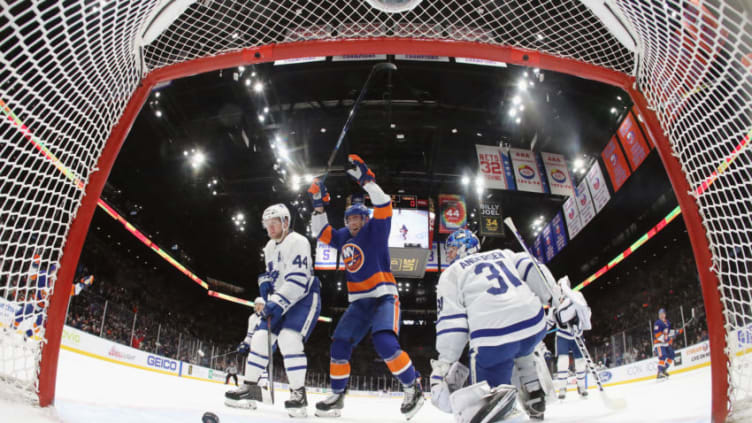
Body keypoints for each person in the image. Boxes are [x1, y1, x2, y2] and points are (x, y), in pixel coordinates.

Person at [308, 155, 423, 420]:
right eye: (349, 219)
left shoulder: (376, 230)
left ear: (365, 218)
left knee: (384, 342)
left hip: (384, 297)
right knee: (338, 345)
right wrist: (318, 206)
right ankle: (337, 397)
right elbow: (322, 233)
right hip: (360, 302)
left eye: (357, 218)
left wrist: (366, 180)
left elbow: (383, 204)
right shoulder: (344, 237)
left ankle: (412, 387)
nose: (352, 223)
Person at [430, 229, 547, 422]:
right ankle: (535, 393)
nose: (448, 254)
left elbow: (453, 325)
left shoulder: (452, 273)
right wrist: (554, 299)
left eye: (451, 249)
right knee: (522, 349)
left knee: (491, 398)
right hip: (534, 323)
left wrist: (444, 364)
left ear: (463, 247)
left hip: (494, 335)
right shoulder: (504, 253)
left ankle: (505, 413)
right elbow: (530, 265)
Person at [225, 204, 321, 417]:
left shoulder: (298, 242)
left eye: (274, 223)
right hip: (281, 299)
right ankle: (250, 390)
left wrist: (275, 301)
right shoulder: (269, 246)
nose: (269, 228)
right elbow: (274, 275)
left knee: (289, 339)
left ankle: (298, 395)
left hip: (303, 298)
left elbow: (297, 281)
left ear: (286, 222)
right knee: (259, 338)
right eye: (266, 225)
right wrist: (266, 283)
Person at [13, 254, 93, 339]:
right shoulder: (43, 275)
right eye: (53, 273)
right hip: (36, 302)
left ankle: (27, 335)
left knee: (39, 325)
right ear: (50, 272)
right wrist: (34, 264)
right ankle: (11, 328)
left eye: (57, 274)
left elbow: (75, 290)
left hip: (46, 308)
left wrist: (83, 284)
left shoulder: (62, 285)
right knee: (20, 314)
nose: (54, 276)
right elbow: (32, 275)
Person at [551, 276, 592, 399]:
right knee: (563, 360)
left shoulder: (577, 295)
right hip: (563, 335)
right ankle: (562, 387)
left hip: (577, 334)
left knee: (580, 361)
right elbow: (551, 318)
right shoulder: (555, 301)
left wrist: (579, 324)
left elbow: (585, 311)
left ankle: (581, 386)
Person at [653, 308, 681, 380]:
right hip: (658, 344)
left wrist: (676, 331)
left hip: (665, 344)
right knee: (663, 356)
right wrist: (667, 339)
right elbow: (657, 335)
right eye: (660, 314)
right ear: (659, 315)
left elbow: (668, 332)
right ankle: (660, 372)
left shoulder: (667, 322)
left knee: (672, 355)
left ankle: (664, 369)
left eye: (663, 314)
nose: (662, 315)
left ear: (665, 314)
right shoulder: (657, 323)